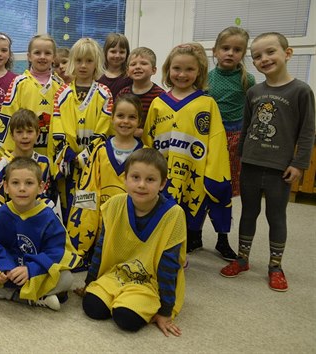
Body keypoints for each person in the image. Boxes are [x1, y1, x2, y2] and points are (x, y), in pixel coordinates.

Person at [220, 32, 315, 292]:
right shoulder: (253, 91)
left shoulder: (301, 91)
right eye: (257, 56)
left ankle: (276, 266)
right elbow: (247, 126)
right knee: (248, 213)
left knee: (276, 216)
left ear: (288, 53)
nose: (264, 59)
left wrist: (299, 164)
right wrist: (239, 158)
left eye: (270, 52)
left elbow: (307, 132)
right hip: (250, 163)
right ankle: (242, 258)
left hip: (279, 169)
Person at [142, 42, 234, 258]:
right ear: (168, 70)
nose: (182, 74)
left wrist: (214, 174)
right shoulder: (158, 103)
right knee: (162, 212)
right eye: (177, 68)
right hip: (164, 172)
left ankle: (188, 241)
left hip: (193, 171)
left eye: (189, 69)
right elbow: (148, 140)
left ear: (199, 71)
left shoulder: (207, 103)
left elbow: (217, 141)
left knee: (191, 210)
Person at [80, 148, 186, 336]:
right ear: (125, 179)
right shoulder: (114, 204)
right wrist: (90, 282)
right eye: (135, 177)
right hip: (116, 274)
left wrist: (165, 311)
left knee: (126, 319)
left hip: (148, 283)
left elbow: (169, 265)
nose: (141, 185)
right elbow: (101, 248)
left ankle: (132, 302)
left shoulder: (174, 214)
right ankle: (115, 296)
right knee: (92, 307)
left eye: (150, 179)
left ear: (162, 183)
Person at [0, 157, 79, 311]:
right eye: (15, 183)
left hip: (33, 274)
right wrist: (3, 268)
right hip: (9, 272)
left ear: (41, 187)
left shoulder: (48, 217)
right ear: (6, 187)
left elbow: (57, 252)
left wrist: (31, 270)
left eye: (29, 183)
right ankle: (26, 297)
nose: (22, 188)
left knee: (67, 279)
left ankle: (4, 292)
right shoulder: (3, 213)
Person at [66, 94, 145, 268]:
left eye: (132, 117)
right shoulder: (99, 150)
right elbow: (87, 189)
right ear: (112, 118)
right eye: (120, 116)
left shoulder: (144, 153)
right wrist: (81, 241)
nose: (125, 121)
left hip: (129, 218)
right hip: (101, 216)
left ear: (139, 121)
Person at [51, 37, 113, 223]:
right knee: (66, 206)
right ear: (72, 62)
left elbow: (104, 129)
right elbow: (57, 125)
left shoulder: (104, 93)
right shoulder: (62, 93)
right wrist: (67, 154)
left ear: (97, 63)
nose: (83, 65)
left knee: (87, 207)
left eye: (89, 61)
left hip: (92, 162)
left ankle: (85, 246)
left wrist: (86, 155)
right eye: (78, 60)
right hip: (67, 161)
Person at [0, 34, 63, 162]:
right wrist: (5, 157)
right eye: (37, 53)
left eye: (47, 53)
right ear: (29, 56)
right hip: (22, 158)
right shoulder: (19, 83)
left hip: (52, 159)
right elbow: (7, 119)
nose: (42, 57)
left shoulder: (60, 85)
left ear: (54, 57)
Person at [208, 27, 256, 197]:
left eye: (237, 50)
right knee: (210, 174)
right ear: (215, 51)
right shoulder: (206, 78)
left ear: (243, 54)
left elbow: (252, 110)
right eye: (225, 48)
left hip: (236, 133)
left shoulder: (248, 79)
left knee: (229, 179)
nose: (230, 53)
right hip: (211, 134)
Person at [0, 109, 59, 217]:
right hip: (9, 220)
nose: (25, 136)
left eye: (29, 131)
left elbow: (51, 198)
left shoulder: (44, 162)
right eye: (19, 132)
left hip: (38, 221)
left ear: (38, 133)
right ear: (12, 135)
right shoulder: (2, 164)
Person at [117, 47, 165, 137]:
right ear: (127, 71)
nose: (138, 67)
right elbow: (115, 118)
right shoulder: (122, 94)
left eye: (143, 63)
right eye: (133, 64)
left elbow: (164, 124)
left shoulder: (161, 96)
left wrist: (144, 133)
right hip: (125, 141)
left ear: (154, 70)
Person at [97, 33, 132, 98]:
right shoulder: (97, 75)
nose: (117, 56)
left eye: (121, 52)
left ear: (127, 54)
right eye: (113, 52)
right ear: (105, 52)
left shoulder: (129, 77)